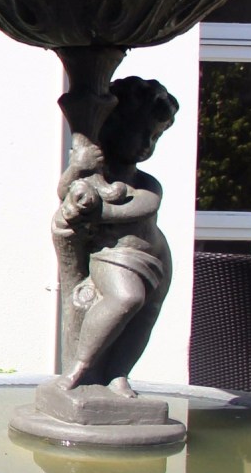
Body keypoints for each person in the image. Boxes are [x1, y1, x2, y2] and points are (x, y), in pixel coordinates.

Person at [54, 75, 178, 388]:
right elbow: (64, 192)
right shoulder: (93, 173)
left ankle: (118, 374)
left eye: (155, 137)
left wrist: (101, 212)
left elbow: (144, 206)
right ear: (114, 126)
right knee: (126, 298)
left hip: (156, 255)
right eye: (141, 133)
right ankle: (81, 368)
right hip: (114, 253)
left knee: (145, 315)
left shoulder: (146, 183)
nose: (147, 145)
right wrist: (77, 166)